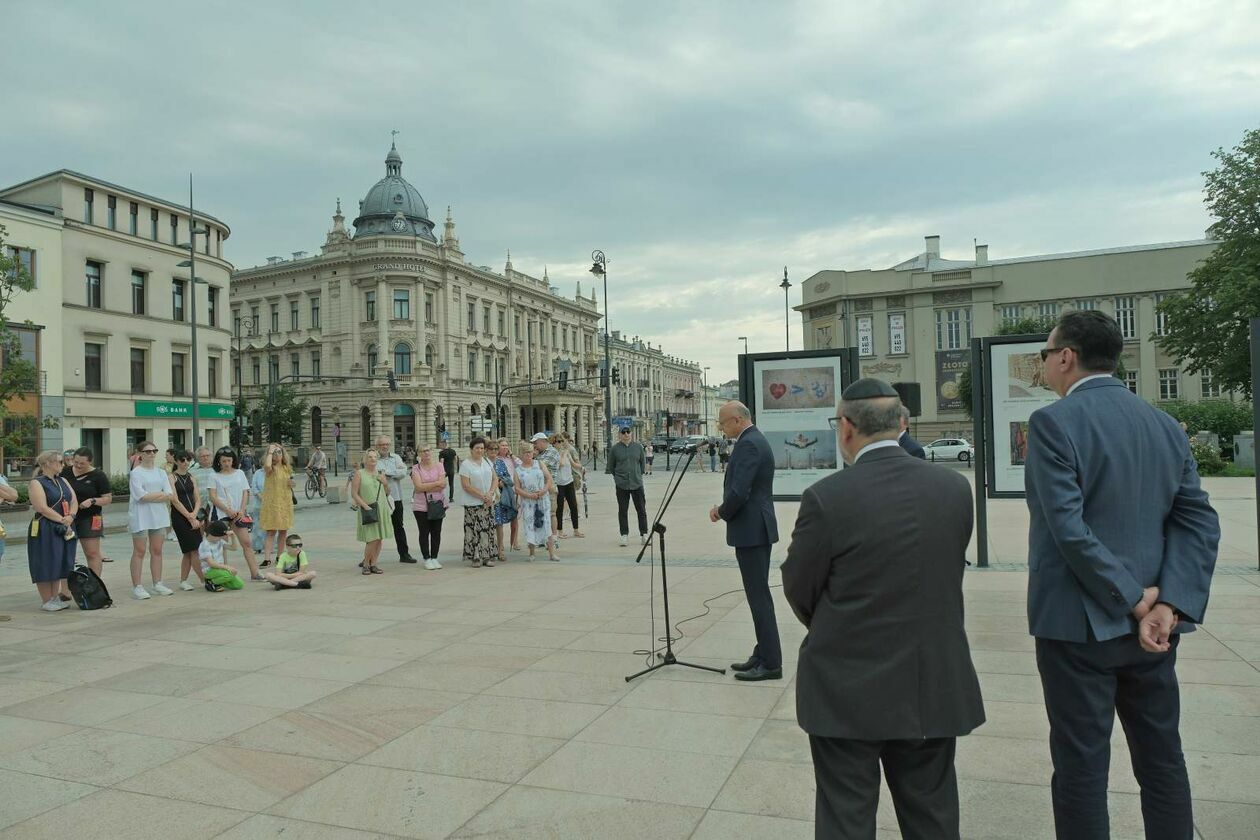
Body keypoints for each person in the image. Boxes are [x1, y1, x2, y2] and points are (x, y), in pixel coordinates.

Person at [1026, 311, 1220, 839]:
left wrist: (1135, 600)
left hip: (1079, 627)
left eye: (1046, 354)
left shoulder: (1052, 423)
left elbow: (1068, 528)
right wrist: (1167, 603)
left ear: (1066, 357)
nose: (1044, 365)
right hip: (1157, 630)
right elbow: (1197, 519)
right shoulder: (1162, 424)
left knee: (1081, 768)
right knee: (1162, 759)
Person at [782, 379, 984, 838]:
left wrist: (840, 623)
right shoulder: (953, 489)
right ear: (903, 424)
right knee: (932, 814)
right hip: (930, 680)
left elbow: (800, 587)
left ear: (847, 428)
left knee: (845, 816)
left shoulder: (827, 497)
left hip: (847, 686)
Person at [707, 402, 782, 682]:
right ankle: (762, 653)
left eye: (723, 423)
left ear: (737, 420)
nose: (721, 428)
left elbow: (740, 491)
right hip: (753, 529)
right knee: (757, 595)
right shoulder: (751, 439)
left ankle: (772, 663)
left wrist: (720, 512)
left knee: (759, 597)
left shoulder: (749, 444)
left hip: (753, 531)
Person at [27, 450, 78, 612]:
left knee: (60, 560)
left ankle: (55, 597)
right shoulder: (37, 482)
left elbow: (74, 500)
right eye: (60, 462)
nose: (63, 465)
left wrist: (71, 516)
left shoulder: (62, 480)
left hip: (66, 525)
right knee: (45, 560)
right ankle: (46, 599)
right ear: (48, 463)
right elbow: (41, 507)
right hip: (47, 527)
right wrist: (62, 519)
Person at [208, 447, 263, 581]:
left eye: (229, 460)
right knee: (222, 545)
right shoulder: (214, 475)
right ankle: (224, 573)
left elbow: (245, 492)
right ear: (219, 461)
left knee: (246, 542)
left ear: (233, 460)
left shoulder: (239, 473)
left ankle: (255, 572)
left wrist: (242, 510)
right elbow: (213, 497)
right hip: (222, 513)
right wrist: (228, 510)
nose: (227, 463)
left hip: (238, 512)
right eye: (223, 461)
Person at [127, 441, 173, 599]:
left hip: (158, 515)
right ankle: (137, 586)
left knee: (157, 550)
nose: (151, 454)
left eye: (154, 451)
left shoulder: (161, 472)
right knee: (139, 550)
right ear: (140, 454)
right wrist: (159, 496)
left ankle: (157, 583)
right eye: (147, 451)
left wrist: (152, 496)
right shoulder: (136, 473)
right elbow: (140, 496)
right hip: (140, 515)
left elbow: (169, 493)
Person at [62, 447, 111, 579]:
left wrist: (93, 500)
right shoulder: (65, 472)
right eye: (75, 462)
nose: (78, 466)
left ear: (90, 462)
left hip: (89, 517)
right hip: (68, 517)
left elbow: (107, 499)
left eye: (82, 463)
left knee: (92, 553)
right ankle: (66, 587)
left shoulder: (98, 475)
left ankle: (95, 583)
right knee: (66, 553)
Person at [168, 450, 207, 591]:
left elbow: (197, 498)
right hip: (180, 517)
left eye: (188, 460)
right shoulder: (172, 477)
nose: (185, 463)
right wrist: (189, 516)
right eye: (182, 460)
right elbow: (175, 500)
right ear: (176, 461)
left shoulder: (191, 477)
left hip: (193, 516)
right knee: (194, 549)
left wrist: (195, 514)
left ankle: (183, 581)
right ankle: (204, 579)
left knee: (189, 551)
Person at [458, 436, 499, 568]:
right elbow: (466, 485)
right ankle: (475, 557)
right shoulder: (466, 464)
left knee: (487, 530)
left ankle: (487, 556)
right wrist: (482, 496)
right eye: (477, 448)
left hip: (487, 502)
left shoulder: (487, 461)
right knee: (474, 530)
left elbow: (495, 479)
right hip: (473, 503)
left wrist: (491, 493)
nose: (480, 450)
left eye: (482, 448)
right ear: (471, 449)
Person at [515, 441, 558, 561]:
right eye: (525, 453)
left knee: (546, 525)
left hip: (542, 499)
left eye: (530, 452)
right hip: (528, 502)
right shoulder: (518, 470)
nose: (528, 455)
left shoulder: (539, 464)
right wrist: (528, 495)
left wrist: (544, 490)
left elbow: (549, 479)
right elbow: (517, 488)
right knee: (530, 526)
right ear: (521, 455)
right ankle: (532, 553)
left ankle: (551, 553)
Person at [376, 436, 414, 564]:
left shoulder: (396, 457)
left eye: (387, 444)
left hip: (396, 497)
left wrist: (387, 473)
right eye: (382, 444)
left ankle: (404, 554)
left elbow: (403, 472)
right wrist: (389, 473)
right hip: (378, 498)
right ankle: (369, 557)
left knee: (399, 526)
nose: (385, 447)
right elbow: (374, 474)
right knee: (375, 528)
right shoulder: (373, 458)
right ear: (377, 446)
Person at [352, 448, 390, 574]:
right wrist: (364, 506)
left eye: (375, 457)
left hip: (382, 508)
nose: (373, 459)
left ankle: (374, 564)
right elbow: (354, 494)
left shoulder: (380, 473)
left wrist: (385, 483)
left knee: (379, 538)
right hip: (368, 508)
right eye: (370, 457)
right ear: (365, 459)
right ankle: (366, 564)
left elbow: (387, 493)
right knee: (371, 539)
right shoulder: (359, 473)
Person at [608, 427, 648, 546]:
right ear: (620, 435)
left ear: (631, 434)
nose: (626, 434)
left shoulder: (638, 447)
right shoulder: (615, 449)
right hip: (622, 484)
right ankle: (624, 535)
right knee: (623, 511)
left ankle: (644, 534)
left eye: (628, 432)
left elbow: (642, 463)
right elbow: (611, 466)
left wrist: (638, 475)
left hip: (637, 483)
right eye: (623, 433)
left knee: (641, 510)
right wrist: (618, 478)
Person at [411, 445, 449, 570]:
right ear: (419, 454)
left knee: (436, 532)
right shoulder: (416, 468)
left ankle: (434, 557)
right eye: (423, 451)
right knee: (424, 532)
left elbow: (442, 485)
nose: (426, 453)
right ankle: (426, 558)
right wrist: (436, 483)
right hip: (421, 505)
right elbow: (418, 488)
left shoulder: (439, 465)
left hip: (437, 503)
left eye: (428, 450)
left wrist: (428, 485)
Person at [260, 442, 295, 569]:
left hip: (285, 502)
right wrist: (270, 451)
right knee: (271, 531)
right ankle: (267, 558)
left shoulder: (286, 468)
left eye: (279, 452)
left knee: (283, 531)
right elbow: (267, 465)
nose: (277, 455)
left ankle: (280, 556)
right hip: (273, 503)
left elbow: (290, 484)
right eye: (274, 453)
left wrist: (292, 483)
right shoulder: (270, 468)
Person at [553, 434, 585, 539]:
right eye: (558, 441)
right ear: (553, 443)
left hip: (569, 481)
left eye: (562, 441)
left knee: (573, 506)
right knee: (560, 507)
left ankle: (576, 530)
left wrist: (581, 467)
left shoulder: (566, 453)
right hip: (559, 483)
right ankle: (560, 531)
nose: (561, 443)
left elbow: (573, 464)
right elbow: (561, 464)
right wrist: (564, 454)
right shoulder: (553, 454)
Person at [492, 438, 520, 561]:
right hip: (489, 495)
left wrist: (502, 481)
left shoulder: (505, 461)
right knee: (494, 523)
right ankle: (495, 548)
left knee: (504, 521)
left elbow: (511, 476)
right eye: (502, 445)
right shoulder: (487, 462)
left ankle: (508, 545)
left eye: (506, 445)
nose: (504, 447)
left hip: (505, 494)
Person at [199, 520, 244, 591]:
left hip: (220, 569)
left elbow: (234, 548)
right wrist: (227, 568)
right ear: (212, 534)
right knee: (228, 574)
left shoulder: (219, 541)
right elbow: (211, 563)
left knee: (239, 584)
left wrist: (233, 537)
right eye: (219, 537)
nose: (220, 538)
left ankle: (220, 582)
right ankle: (210, 582)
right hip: (209, 570)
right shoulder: (205, 545)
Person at [532, 433, 562, 535]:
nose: (534, 446)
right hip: (538, 487)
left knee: (551, 514)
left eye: (535, 443)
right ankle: (542, 537)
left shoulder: (552, 451)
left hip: (549, 487)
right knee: (539, 513)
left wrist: (534, 457)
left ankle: (553, 537)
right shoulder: (539, 453)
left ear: (542, 441)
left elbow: (541, 465)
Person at [249, 464, 266, 554]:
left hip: (272, 504)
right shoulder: (258, 473)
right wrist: (261, 497)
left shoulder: (275, 472)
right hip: (258, 504)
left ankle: (270, 546)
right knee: (257, 526)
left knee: (271, 527)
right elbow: (254, 487)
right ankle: (257, 546)